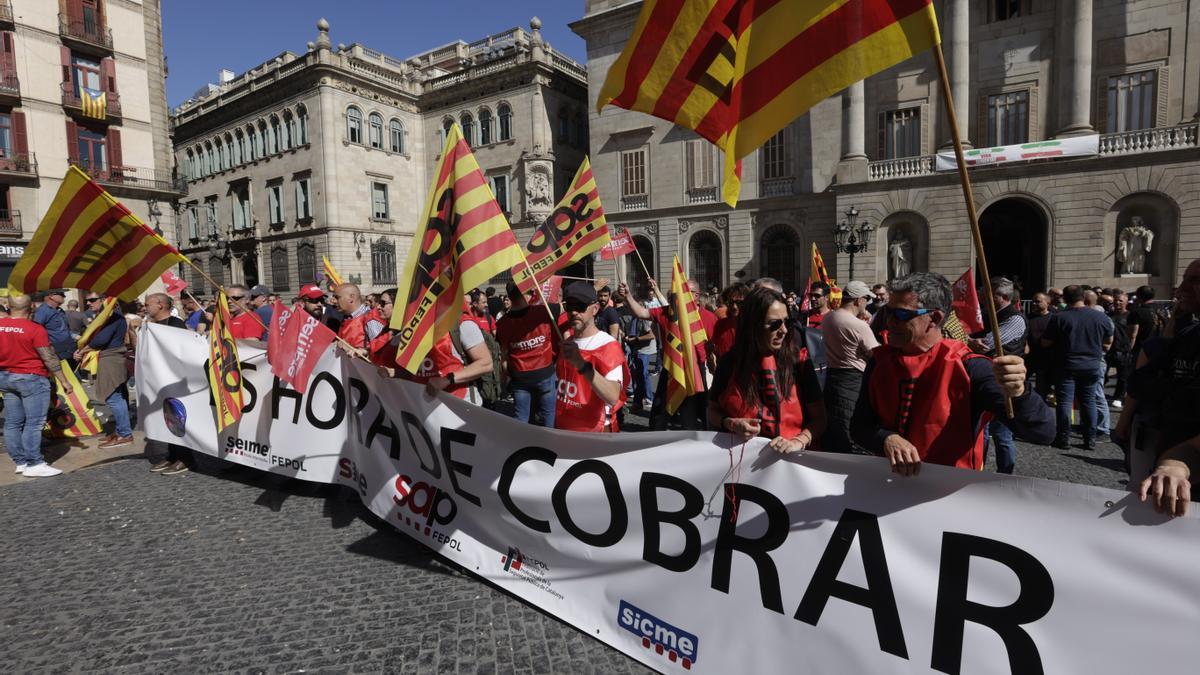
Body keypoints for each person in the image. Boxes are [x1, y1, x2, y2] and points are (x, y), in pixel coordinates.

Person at [851, 273, 1055, 474]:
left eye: (901, 315)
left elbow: (1042, 432)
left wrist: (1020, 392)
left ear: (935, 318)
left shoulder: (970, 367)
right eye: (888, 312)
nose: (889, 321)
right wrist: (886, 438)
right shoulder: (879, 361)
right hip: (889, 486)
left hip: (949, 493)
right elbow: (860, 426)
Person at [708, 286, 826, 452]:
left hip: (792, 466)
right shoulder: (730, 361)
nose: (783, 330)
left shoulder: (798, 361)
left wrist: (798, 441)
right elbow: (712, 411)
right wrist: (730, 423)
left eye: (787, 322)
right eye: (775, 324)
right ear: (752, 325)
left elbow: (819, 419)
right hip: (742, 467)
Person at [1123, 260, 1200, 515]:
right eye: (1185, 279)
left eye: (1196, 281)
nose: (1181, 289)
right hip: (1173, 466)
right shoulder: (1188, 336)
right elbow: (1138, 383)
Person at [1, 294, 75, 477]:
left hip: (5, 377)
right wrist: (64, 380)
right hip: (31, 378)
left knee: (12, 422)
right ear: (32, 306)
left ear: (9, 305)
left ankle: (20, 462)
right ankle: (34, 463)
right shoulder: (35, 329)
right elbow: (49, 358)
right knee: (34, 423)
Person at [622, 280, 708, 430]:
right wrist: (628, 295)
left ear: (696, 296)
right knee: (661, 411)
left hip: (695, 371)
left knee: (695, 413)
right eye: (677, 294)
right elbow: (641, 312)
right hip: (671, 367)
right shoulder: (665, 312)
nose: (679, 297)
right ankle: (658, 438)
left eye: (684, 293)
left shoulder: (707, 317)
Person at [965, 277, 1028, 474]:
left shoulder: (1014, 318)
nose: (983, 298)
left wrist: (966, 339)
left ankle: (1005, 474)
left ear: (1004, 297)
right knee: (981, 432)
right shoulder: (985, 315)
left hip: (1004, 381)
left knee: (1003, 435)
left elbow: (987, 344)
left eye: (989, 295)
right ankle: (977, 469)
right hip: (984, 380)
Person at [1041, 285, 1113, 451]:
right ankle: (1090, 439)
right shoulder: (1100, 317)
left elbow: (1046, 342)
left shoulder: (1060, 318)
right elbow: (1108, 344)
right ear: (1083, 297)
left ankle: (1063, 438)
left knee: (1065, 402)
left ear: (1065, 299)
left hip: (1066, 365)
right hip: (1092, 365)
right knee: (1089, 402)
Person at [554, 282, 628, 432]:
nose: (574, 312)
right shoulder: (567, 344)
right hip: (564, 429)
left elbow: (613, 396)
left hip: (595, 433)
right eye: (570, 306)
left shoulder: (608, 346)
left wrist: (581, 364)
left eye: (580, 306)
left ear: (594, 309)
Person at [820, 281, 879, 453]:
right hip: (853, 380)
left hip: (832, 377)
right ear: (858, 300)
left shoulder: (829, 317)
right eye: (867, 299)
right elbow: (875, 354)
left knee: (836, 429)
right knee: (851, 430)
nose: (867, 304)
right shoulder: (859, 326)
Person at [75, 293, 134, 449]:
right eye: (87, 300)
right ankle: (120, 431)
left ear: (104, 301)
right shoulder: (107, 317)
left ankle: (125, 434)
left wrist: (82, 351)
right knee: (117, 396)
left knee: (113, 397)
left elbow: (100, 340)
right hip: (110, 357)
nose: (88, 302)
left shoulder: (113, 317)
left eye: (93, 300)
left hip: (111, 359)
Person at [496, 282, 560, 426]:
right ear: (525, 292)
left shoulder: (502, 323)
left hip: (520, 377)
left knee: (521, 420)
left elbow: (504, 354)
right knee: (548, 415)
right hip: (544, 373)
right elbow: (567, 307)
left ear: (509, 297)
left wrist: (505, 375)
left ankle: (524, 445)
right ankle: (548, 444)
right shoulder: (543, 311)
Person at [142, 293, 192, 475]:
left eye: (148, 304)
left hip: (175, 380)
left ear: (161, 305)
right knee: (168, 419)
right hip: (159, 380)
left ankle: (185, 459)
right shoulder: (151, 326)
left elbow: (182, 351)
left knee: (178, 419)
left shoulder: (175, 324)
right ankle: (172, 456)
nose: (145, 307)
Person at [403, 312, 494, 406]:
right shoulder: (413, 328)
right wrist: (392, 372)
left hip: (459, 407)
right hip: (424, 407)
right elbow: (416, 370)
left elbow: (486, 363)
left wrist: (447, 379)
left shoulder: (462, 324)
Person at [334, 282, 384, 351]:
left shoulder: (370, 320)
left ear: (351, 298)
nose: (334, 301)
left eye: (337, 297)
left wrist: (355, 351)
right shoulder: (347, 319)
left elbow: (381, 352)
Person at [32, 288, 75, 365]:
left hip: (68, 352)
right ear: (51, 296)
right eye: (61, 294)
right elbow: (35, 331)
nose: (64, 296)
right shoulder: (43, 311)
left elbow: (65, 330)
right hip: (56, 354)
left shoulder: (60, 310)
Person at [1107, 291, 1133, 408]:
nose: (1117, 302)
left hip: (1123, 349)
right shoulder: (1109, 315)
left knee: (1123, 376)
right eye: (1116, 300)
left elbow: (1133, 334)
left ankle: (1119, 397)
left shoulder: (1130, 315)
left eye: (1120, 300)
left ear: (1126, 302)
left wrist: (1129, 349)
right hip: (1109, 349)